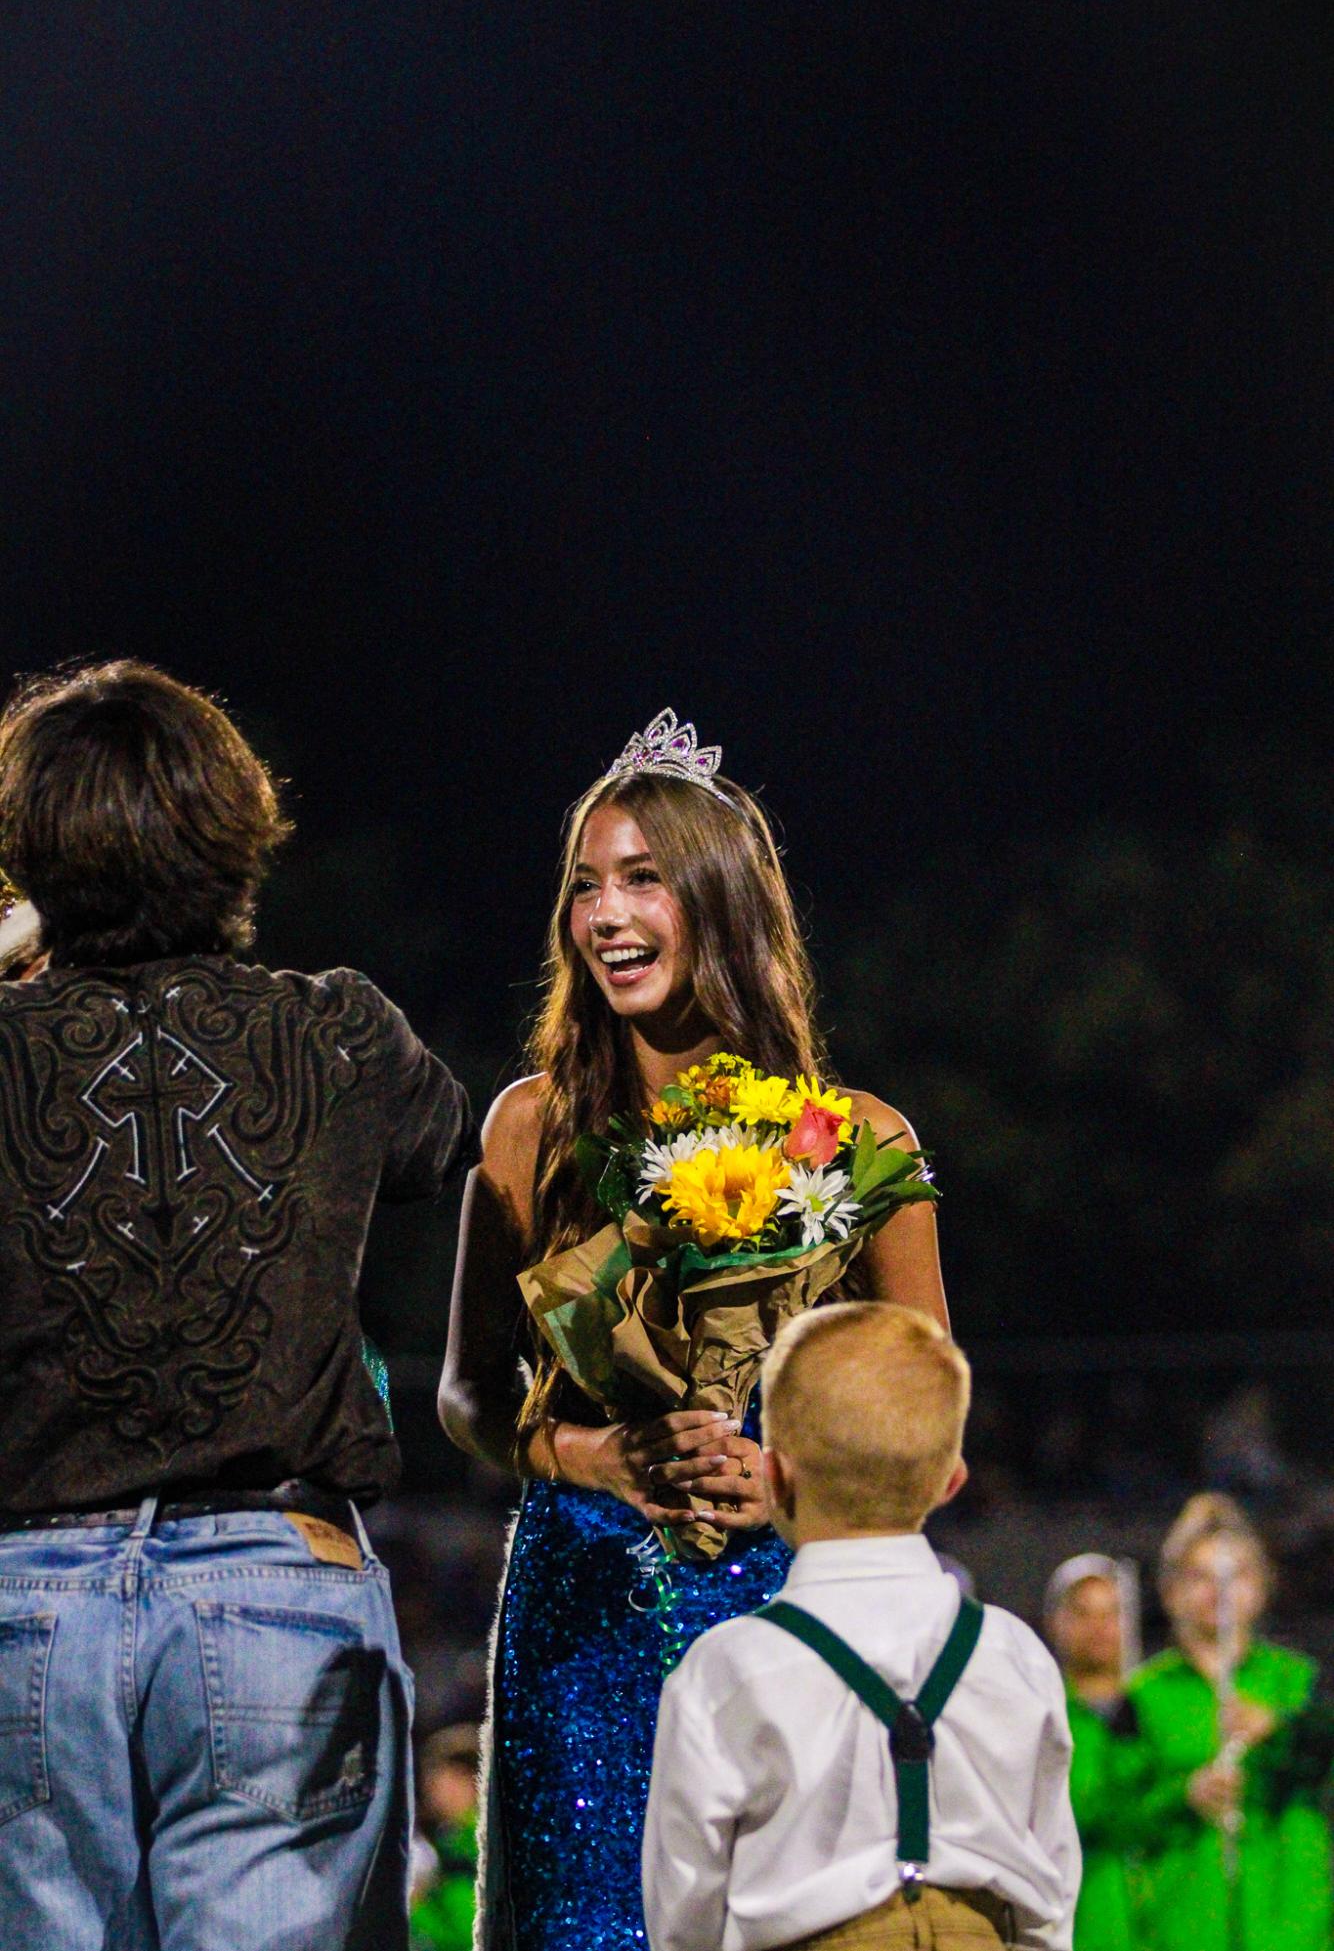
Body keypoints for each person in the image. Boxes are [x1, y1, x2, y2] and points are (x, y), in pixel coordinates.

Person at [438, 710, 948, 1951]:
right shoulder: (526, 1128)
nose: (605, 915)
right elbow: (461, 1394)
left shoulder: (853, 1139)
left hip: (787, 1602)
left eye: (643, 880)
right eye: (583, 886)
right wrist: (593, 1457)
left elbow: (936, 1434)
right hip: (583, 1609)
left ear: (719, 901)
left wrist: (780, 1483)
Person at [0, 661, 477, 1951]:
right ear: (236, 832)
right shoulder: (337, 1030)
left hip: (25, 1602)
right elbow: (453, 1149)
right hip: (277, 1591)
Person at [642, 1301, 1080, 1950]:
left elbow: (685, 1914)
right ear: (950, 1480)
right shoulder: (1016, 1653)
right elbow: (1050, 1889)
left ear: (776, 1474)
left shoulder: (726, 1668)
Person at [1128, 1492, 1334, 1951]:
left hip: (1292, 1930)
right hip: (1181, 1927)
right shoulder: (1141, 1695)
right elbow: (1113, 1812)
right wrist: (1184, 1795)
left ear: (1261, 1586)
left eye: (1236, 1575)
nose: (1219, 1591)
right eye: (1200, 1577)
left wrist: (1278, 1731)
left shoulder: (1300, 1680)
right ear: (1171, 1590)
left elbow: (1323, 1769)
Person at [1045, 1556, 1153, 1951]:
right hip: (1083, 1930)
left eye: (1112, 1612)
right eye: (1083, 1613)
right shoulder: (1042, 1716)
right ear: (1056, 1622)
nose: (1100, 1628)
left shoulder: (1158, 1707)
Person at [410, 1722, 482, 1951]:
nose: (429, 1787)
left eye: (438, 1777)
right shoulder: (451, 1837)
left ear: (469, 1779)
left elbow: (468, 1935)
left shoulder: (472, 1844)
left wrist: (415, 1909)